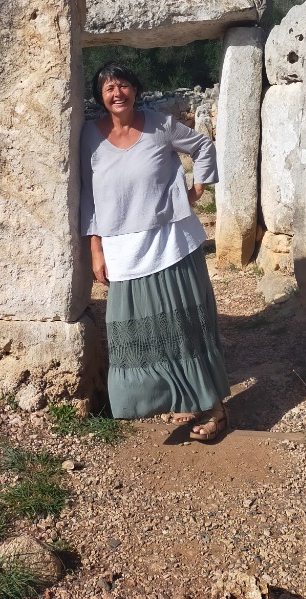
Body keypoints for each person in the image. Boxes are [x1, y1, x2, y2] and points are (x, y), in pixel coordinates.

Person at [80, 61, 230, 440]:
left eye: (124, 85)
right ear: (100, 96)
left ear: (136, 89)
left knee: (184, 326)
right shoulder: (89, 137)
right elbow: (88, 198)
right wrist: (95, 249)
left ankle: (214, 408)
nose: (118, 93)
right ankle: (175, 397)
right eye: (109, 88)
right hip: (123, 250)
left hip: (171, 243)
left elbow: (203, 146)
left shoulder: (160, 125)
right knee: (138, 331)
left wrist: (197, 189)